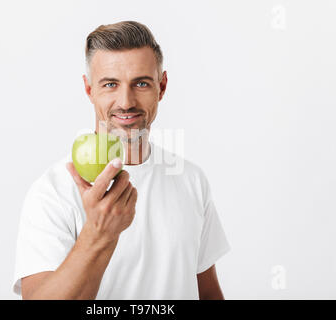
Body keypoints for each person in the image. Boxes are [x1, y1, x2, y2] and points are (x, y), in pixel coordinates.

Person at [13, 20, 231, 300]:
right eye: (110, 84)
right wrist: (98, 234)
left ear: (161, 87)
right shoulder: (52, 192)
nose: (126, 101)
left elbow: (208, 294)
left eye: (141, 83)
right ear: (89, 90)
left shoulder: (191, 180)